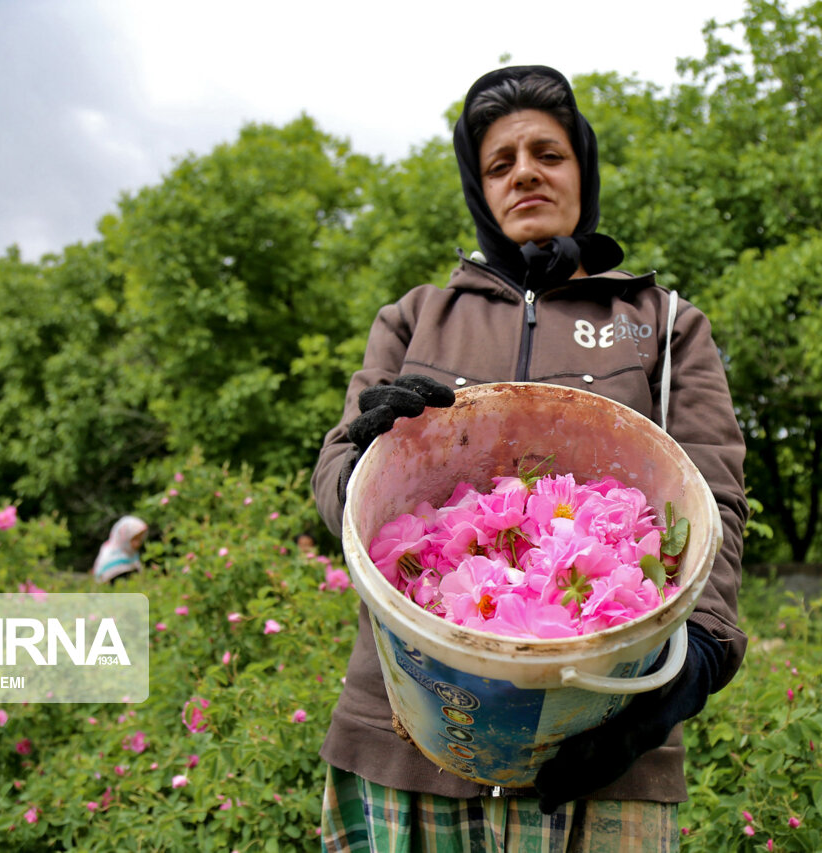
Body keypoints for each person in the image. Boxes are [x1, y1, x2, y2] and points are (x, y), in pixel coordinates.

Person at [311, 65, 748, 851]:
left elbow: (710, 495)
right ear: (480, 189)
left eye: (548, 152)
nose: (525, 174)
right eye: (500, 163)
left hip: (604, 739)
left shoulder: (661, 321)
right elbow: (337, 482)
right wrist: (361, 460)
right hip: (405, 733)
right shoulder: (416, 316)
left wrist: (696, 663)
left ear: (584, 167)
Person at [92, 516, 148, 584]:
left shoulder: (132, 555)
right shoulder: (110, 555)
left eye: (140, 539)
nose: (138, 543)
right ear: (125, 537)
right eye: (135, 539)